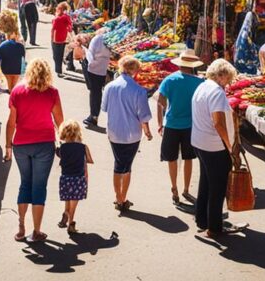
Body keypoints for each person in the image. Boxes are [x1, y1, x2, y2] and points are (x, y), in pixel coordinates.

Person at [4, 58, 65, 243]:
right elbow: (59, 120)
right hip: (45, 143)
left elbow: (11, 122)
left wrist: (7, 145)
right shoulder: (52, 92)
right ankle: (36, 230)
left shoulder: (17, 91)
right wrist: (65, 142)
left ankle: (21, 225)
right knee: (39, 187)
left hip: (21, 144)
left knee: (25, 183)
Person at [191, 58, 242, 238]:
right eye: (227, 79)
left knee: (206, 182)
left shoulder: (202, 87)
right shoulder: (216, 92)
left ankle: (202, 219)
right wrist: (230, 147)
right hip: (213, 146)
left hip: (200, 141)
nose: (228, 83)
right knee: (217, 187)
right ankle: (214, 227)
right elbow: (218, 123)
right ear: (220, 75)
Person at [101, 56, 152, 212]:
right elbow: (143, 115)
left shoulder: (110, 87)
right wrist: (147, 131)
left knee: (118, 164)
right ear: (134, 70)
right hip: (132, 134)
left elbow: (105, 108)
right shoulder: (139, 90)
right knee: (127, 166)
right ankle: (122, 197)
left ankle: (119, 198)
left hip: (115, 131)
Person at [156, 50, 205, 206]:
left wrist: (160, 123)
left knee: (172, 158)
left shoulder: (169, 80)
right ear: (193, 66)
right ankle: (185, 189)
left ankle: (174, 187)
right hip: (191, 126)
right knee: (188, 158)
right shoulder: (200, 83)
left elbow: (161, 102)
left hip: (171, 124)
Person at [56, 119, 92, 235]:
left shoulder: (62, 148)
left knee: (67, 198)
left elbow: (58, 153)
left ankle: (65, 214)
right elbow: (90, 160)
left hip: (65, 178)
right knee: (74, 202)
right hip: (79, 178)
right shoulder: (83, 147)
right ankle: (70, 221)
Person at [83, 28, 112, 126]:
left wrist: (85, 53)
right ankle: (94, 115)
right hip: (102, 70)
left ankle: (93, 116)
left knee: (94, 93)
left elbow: (90, 55)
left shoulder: (97, 39)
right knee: (97, 92)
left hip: (93, 69)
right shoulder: (110, 41)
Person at [0, 13, 25, 93]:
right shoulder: (21, 46)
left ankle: (12, 99)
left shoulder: (3, 45)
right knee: (14, 87)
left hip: (6, 69)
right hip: (16, 69)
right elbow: (23, 58)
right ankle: (13, 99)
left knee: (10, 87)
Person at [51, 2, 73, 77]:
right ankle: (59, 69)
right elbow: (70, 26)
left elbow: (54, 27)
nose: (56, 8)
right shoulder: (65, 16)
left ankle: (58, 70)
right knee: (59, 55)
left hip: (56, 38)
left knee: (56, 55)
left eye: (58, 7)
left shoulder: (59, 18)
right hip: (62, 38)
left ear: (61, 9)